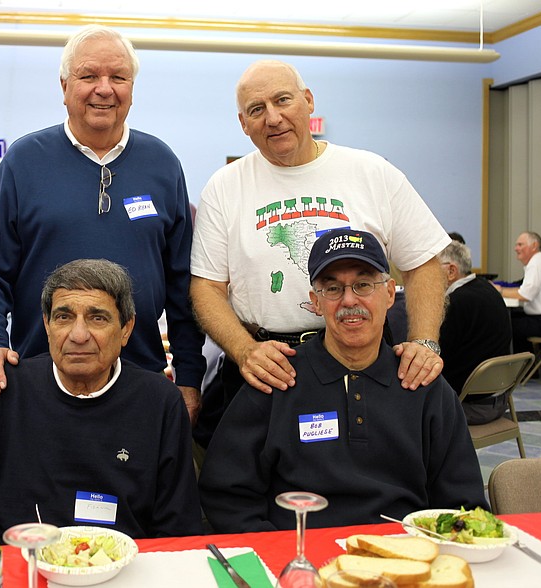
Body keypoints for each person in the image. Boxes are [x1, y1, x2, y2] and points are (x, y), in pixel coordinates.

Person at [0, 24, 205, 422]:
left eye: (118, 77)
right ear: (64, 86)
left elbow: (183, 283)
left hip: (140, 379)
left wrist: (190, 375)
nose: (104, 88)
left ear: (132, 87)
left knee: (138, 485)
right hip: (39, 377)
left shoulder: (162, 164)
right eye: (89, 76)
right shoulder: (24, 163)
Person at [190, 60, 449, 415]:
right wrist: (244, 349)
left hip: (362, 358)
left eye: (283, 100)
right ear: (243, 123)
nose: (273, 117)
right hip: (266, 365)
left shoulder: (372, 172)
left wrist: (423, 342)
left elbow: (424, 264)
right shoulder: (224, 186)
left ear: (308, 101)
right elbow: (207, 286)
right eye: (256, 109)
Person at [198, 229, 487, 532]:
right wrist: (277, 552)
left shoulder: (423, 385)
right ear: (316, 302)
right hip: (301, 558)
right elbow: (226, 492)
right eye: (333, 288)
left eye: (363, 284)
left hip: (403, 557)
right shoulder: (277, 379)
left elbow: (462, 503)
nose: (349, 300)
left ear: (390, 293)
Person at [0, 259, 202, 547]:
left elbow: (179, 532)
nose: (78, 335)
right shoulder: (3, 394)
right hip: (22, 568)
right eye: (63, 317)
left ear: (125, 329)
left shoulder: (160, 402)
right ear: (47, 325)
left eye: (98, 318)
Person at [438, 241, 513, 424]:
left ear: (451, 271)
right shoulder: (487, 288)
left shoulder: (456, 303)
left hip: (471, 406)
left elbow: (437, 356)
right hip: (500, 400)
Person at [496, 231, 541, 355]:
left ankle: (520, 368)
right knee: (511, 318)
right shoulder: (540, 262)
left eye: (520, 244)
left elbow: (525, 295)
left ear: (534, 246)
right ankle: (528, 369)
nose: (515, 248)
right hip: (539, 319)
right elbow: (523, 290)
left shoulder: (536, 264)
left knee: (502, 323)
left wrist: (499, 291)